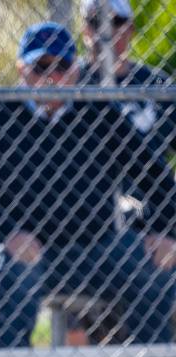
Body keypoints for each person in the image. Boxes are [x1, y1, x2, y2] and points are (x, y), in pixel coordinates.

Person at [0, 22, 176, 357]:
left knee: (154, 272)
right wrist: (9, 232)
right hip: (20, 247)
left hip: (95, 247)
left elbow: (157, 181)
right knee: (19, 269)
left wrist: (164, 233)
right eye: (41, 67)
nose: (52, 77)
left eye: (61, 66)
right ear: (22, 70)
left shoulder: (98, 113)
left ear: (76, 70)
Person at [79, 0, 176, 271]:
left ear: (131, 29)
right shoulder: (72, 83)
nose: (106, 32)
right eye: (97, 22)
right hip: (92, 206)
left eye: (116, 23)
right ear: (85, 29)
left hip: (158, 202)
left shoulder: (155, 85)